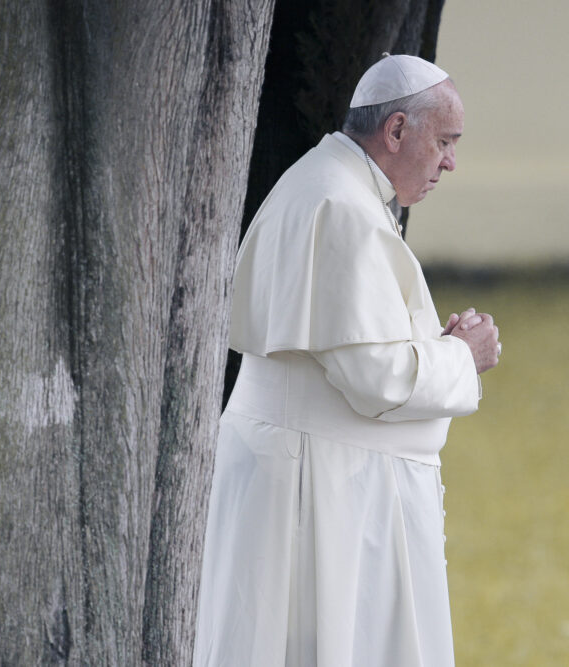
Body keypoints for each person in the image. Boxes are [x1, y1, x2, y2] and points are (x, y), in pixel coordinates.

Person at [193, 54, 501, 667]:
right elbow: (375, 380)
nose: (450, 162)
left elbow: (353, 346)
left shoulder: (331, 185)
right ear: (395, 131)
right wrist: (462, 357)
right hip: (317, 491)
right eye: (443, 141)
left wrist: (434, 348)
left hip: (313, 476)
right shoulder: (339, 205)